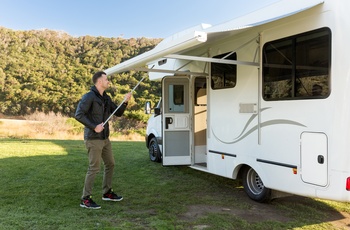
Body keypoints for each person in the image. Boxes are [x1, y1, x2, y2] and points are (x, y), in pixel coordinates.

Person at [75, 71, 131, 209]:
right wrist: (94, 127)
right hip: (93, 138)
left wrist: (125, 102)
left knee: (110, 164)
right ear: (99, 82)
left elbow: (117, 112)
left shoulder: (106, 98)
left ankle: (107, 193)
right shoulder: (89, 97)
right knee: (94, 168)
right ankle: (85, 199)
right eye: (106, 80)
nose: (108, 82)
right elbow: (78, 115)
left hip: (105, 138)